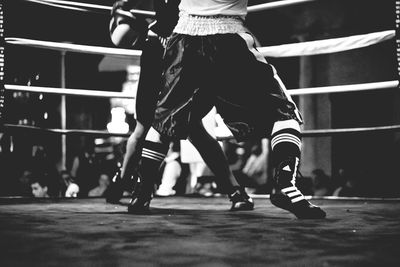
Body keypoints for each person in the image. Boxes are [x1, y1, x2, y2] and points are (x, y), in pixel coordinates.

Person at [130, 0, 326, 219]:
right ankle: (285, 185)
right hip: (228, 38)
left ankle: (142, 192)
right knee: (284, 112)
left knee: (164, 120)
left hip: (183, 40)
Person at [107, 0, 254, 212]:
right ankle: (124, 184)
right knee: (151, 123)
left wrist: (125, 9)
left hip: (189, 50)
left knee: (189, 126)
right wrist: (125, 7)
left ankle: (132, 189)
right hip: (166, 48)